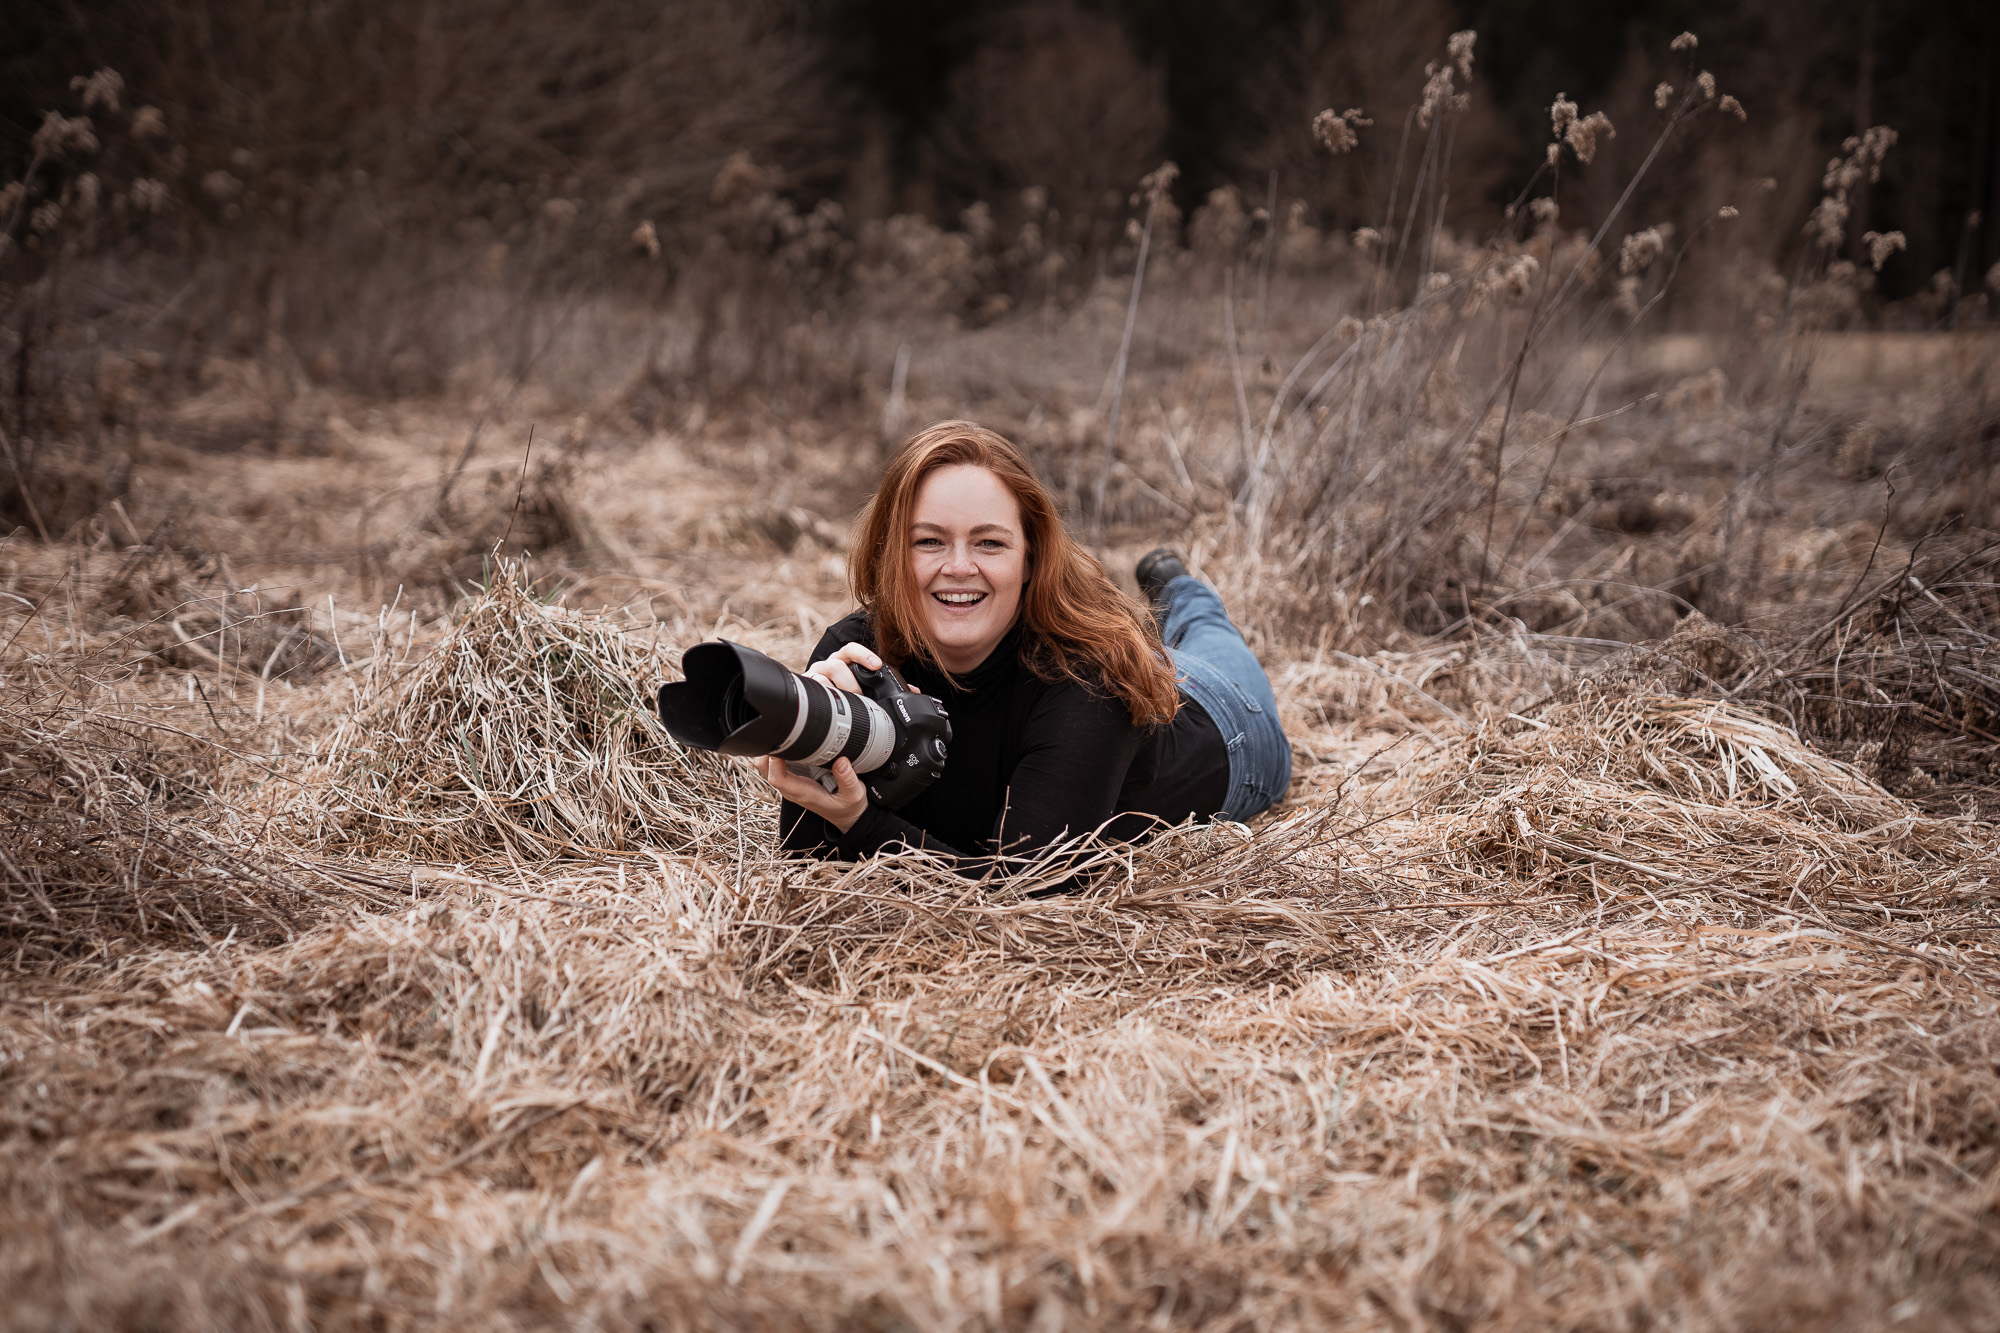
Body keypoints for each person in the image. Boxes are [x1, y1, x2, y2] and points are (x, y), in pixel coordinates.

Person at [761, 420, 1290, 877]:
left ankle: (1177, 586)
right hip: (1125, 679)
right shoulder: (854, 656)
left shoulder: (1088, 679)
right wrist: (813, 757)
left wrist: (861, 823)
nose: (959, 567)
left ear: (1031, 560)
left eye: (989, 542)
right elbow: (809, 862)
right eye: (929, 541)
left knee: (1203, 626)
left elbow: (1021, 891)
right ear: (890, 555)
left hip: (1225, 720)